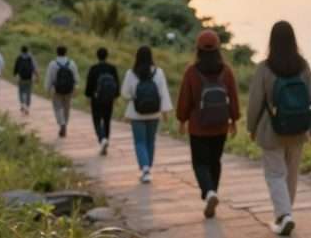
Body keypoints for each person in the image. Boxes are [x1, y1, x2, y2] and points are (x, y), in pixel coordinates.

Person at [247, 21, 311, 236]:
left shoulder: (265, 68)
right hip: (298, 130)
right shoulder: (303, 66)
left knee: (274, 174)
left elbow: (254, 102)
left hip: (272, 130)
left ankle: (284, 214)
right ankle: (286, 213)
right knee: (291, 175)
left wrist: (251, 127)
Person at [176, 29, 241, 219]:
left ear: (198, 49)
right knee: (215, 162)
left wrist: (182, 119)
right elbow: (233, 97)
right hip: (220, 125)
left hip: (198, 127)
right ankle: (213, 191)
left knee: (199, 163)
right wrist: (234, 119)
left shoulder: (192, 72)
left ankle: (209, 191)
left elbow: (185, 99)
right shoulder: (226, 71)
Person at [120, 45, 173, 183]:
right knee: (151, 141)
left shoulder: (131, 73)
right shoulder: (159, 72)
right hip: (154, 113)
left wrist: (135, 97)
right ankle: (148, 168)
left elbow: (125, 94)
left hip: (137, 114)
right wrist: (165, 112)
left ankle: (145, 169)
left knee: (140, 142)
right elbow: (163, 93)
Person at [86, 47, 120, 156]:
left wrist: (88, 96)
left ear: (97, 56)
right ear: (107, 55)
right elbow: (117, 83)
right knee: (107, 120)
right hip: (109, 99)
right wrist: (115, 96)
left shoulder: (94, 68)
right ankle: (106, 140)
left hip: (96, 99)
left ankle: (102, 139)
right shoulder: (112, 68)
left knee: (97, 120)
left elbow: (89, 84)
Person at [45, 46, 79, 138]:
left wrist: (47, 89)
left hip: (57, 90)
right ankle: (65, 124)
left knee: (57, 108)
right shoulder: (72, 63)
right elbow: (76, 78)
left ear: (57, 52)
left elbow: (49, 78)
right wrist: (75, 88)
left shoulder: (53, 64)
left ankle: (62, 123)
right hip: (69, 90)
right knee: (67, 108)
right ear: (66, 52)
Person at [13, 45, 38, 115]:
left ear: (21, 50)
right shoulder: (30, 58)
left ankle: (22, 104)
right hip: (29, 78)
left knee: (21, 91)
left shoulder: (19, 57)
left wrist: (15, 74)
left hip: (21, 78)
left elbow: (16, 67)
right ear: (28, 50)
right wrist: (36, 76)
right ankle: (27, 107)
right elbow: (34, 68)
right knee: (28, 92)